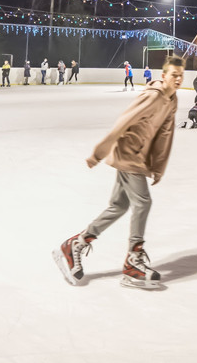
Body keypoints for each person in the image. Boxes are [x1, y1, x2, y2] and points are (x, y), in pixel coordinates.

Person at [52, 55, 185, 289]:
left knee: (119, 206)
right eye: (174, 75)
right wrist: (100, 152)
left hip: (139, 158)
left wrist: (159, 166)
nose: (178, 79)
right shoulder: (152, 96)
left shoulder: (172, 100)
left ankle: (74, 245)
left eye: (181, 75)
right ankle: (133, 261)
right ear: (163, 76)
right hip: (128, 154)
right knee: (143, 202)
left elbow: (166, 134)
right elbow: (123, 122)